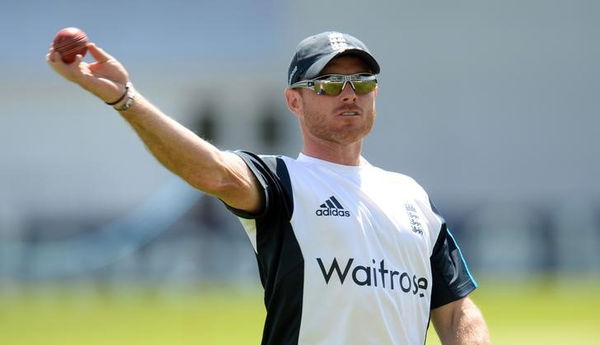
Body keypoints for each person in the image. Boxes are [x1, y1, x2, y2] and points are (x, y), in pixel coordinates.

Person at [47, 31, 491, 345]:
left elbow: (456, 311)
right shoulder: (283, 181)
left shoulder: (411, 196)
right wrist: (125, 98)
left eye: (362, 82)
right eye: (330, 83)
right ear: (294, 100)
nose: (349, 93)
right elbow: (215, 173)